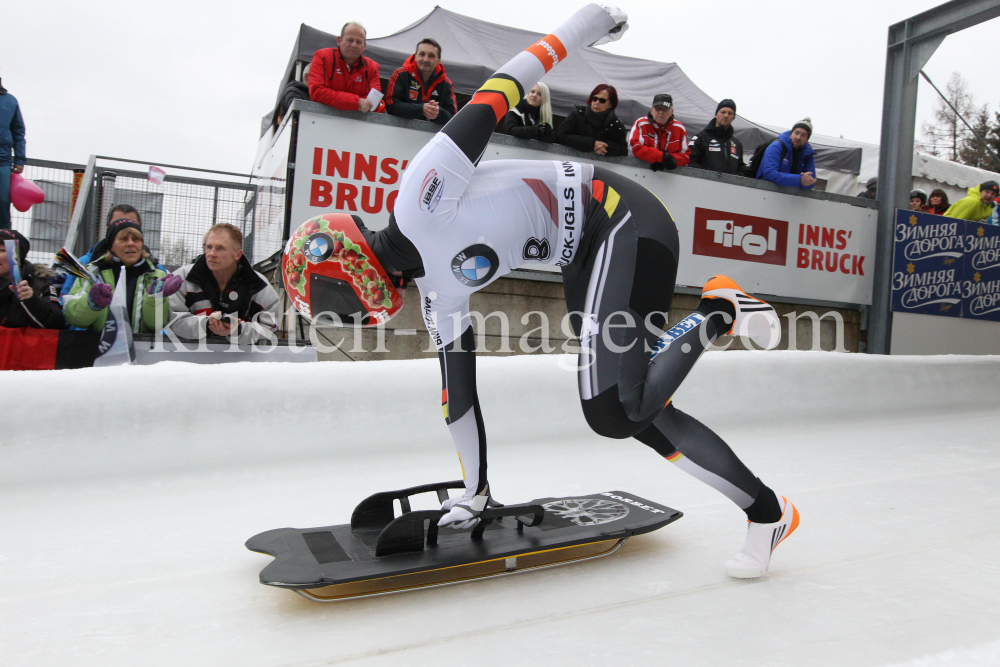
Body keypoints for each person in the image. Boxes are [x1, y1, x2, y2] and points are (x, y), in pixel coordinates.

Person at [297, 4, 797, 579]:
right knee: (633, 409)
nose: (353, 314)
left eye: (338, 302)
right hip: (588, 249)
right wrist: (474, 492)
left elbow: (503, 88)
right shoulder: (436, 294)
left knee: (614, 410)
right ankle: (767, 514)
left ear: (343, 259)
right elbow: (458, 395)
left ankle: (718, 309)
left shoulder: (419, 197)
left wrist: (589, 23)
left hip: (619, 216)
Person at [63, 218, 180, 333]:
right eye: (123, 239)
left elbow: (157, 325)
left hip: (141, 349)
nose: (131, 243)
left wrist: (155, 298)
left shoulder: (156, 275)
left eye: (136, 239)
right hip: (100, 347)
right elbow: (74, 319)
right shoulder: (93, 272)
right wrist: (90, 304)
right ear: (111, 245)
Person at [167, 223, 279, 343]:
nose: (211, 254)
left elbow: (270, 328)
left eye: (220, 248)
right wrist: (207, 324)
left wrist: (238, 330)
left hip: (241, 359)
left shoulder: (259, 285)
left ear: (237, 254)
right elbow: (172, 320)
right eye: (209, 247)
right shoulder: (181, 278)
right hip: (188, 357)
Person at [61, 204, 145, 300]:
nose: (125, 229)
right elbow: (67, 305)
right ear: (108, 229)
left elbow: (158, 313)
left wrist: (158, 299)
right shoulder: (84, 265)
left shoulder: (155, 272)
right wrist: (90, 305)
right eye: (118, 225)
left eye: (132, 226)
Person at [307, 22, 385, 114]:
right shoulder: (322, 57)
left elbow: (374, 103)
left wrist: (338, 100)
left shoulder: (372, 67)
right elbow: (317, 93)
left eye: (359, 42)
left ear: (364, 46)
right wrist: (356, 102)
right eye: (350, 40)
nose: (354, 45)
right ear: (339, 41)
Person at [0, 229, 64, 329]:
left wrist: (31, 300)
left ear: (18, 256)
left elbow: (55, 324)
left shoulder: (39, 284)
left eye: (2, 250)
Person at [386, 39, 457, 126]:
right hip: (398, 132)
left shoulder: (447, 85)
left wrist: (438, 113)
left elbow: (453, 118)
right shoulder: (400, 74)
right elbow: (390, 105)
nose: (426, 59)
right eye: (422, 54)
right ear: (415, 56)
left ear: (438, 60)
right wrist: (421, 109)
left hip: (430, 137)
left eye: (431, 56)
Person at [554, 84, 628, 157]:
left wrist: (606, 147)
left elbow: (624, 149)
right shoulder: (577, 115)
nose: (597, 103)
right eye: (594, 99)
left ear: (610, 105)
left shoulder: (616, 125)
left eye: (602, 100)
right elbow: (559, 135)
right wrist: (591, 143)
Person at [628, 93, 691, 172]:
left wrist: (670, 160)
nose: (661, 112)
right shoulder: (641, 123)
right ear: (651, 110)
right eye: (658, 109)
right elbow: (634, 148)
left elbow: (686, 156)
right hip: (638, 173)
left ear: (672, 111)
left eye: (665, 109)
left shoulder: (680, 129)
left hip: (669, 179)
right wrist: (661, 157)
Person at [687, 99, 744, 175]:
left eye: (730, 113)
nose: (726, 115)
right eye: (723, 112)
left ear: (733, 117)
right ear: (716, 114)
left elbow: (741, 168)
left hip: (729, 186)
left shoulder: (737, 144)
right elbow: (691, 161)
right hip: (704, 184)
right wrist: (708, 177)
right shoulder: (701, 137)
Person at [756, 118, 817, 189]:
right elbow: (769, 173)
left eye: (803, 135)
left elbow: (812, 181)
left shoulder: (808, 154)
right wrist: (799, 180)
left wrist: (806, 182)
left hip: (788, 198)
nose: (798, 137)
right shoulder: (776, 146)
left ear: (807, 140)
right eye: (796, 133)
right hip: (763, 193)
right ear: (791, 134)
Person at [0, 78, 27, 231]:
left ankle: (8, 253)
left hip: (3, 161)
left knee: (3, 205)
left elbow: (18, 132)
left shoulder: (10, 101)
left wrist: (19, 160)